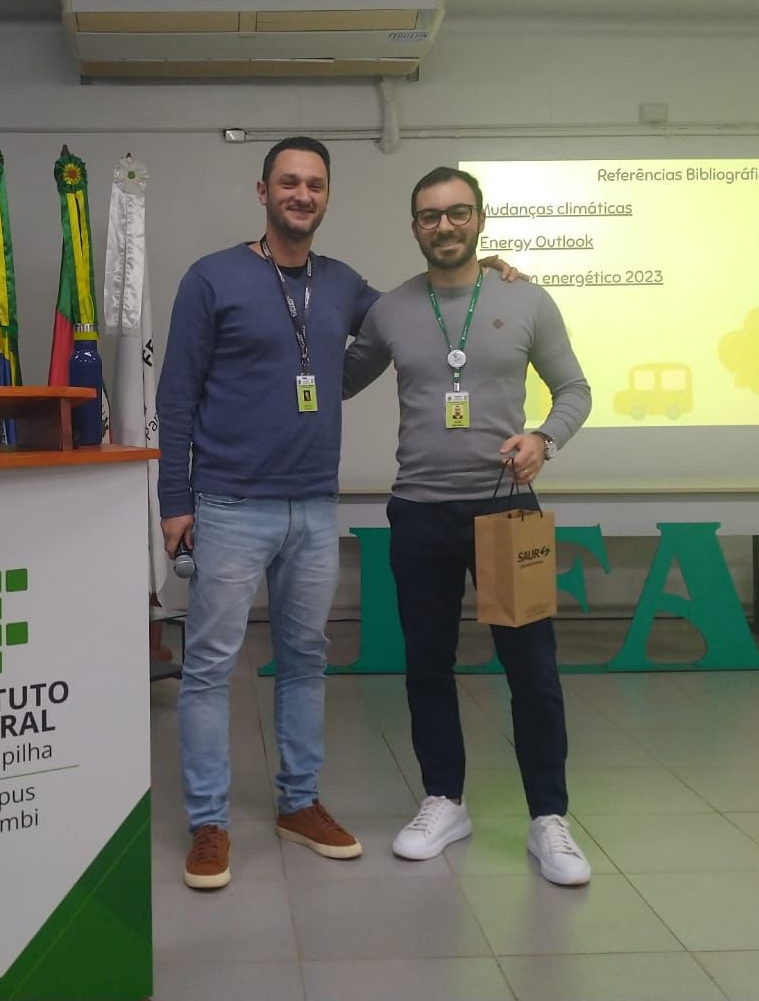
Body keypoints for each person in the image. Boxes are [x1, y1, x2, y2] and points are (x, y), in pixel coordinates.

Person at [156, 138, 516, 890]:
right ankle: (209, 823)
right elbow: (177, 394)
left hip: (315, 506)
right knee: (211, 668)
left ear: (327, 197)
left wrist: (482, 276)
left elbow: (417, 312)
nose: (302, 195)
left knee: (305, 662)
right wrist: (174, 501)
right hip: (228, 502)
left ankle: (298, 802)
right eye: (288, 182)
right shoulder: (212, 278)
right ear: (263, 192)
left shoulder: (344, 283)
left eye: (315, 185)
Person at [342, 165, 595, 886]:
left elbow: (574, 389)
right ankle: (444, 800)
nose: (445, 226)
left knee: (533, 670)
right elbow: (338, 380)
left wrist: (544, 438)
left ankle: (548, 817)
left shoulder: (526, 299)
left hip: (505, 509)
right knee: (427, 664)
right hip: (419, 511)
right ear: (414, 227)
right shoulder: (390, 310)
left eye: (458, 213)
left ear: (479, 219)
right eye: (430, 216)